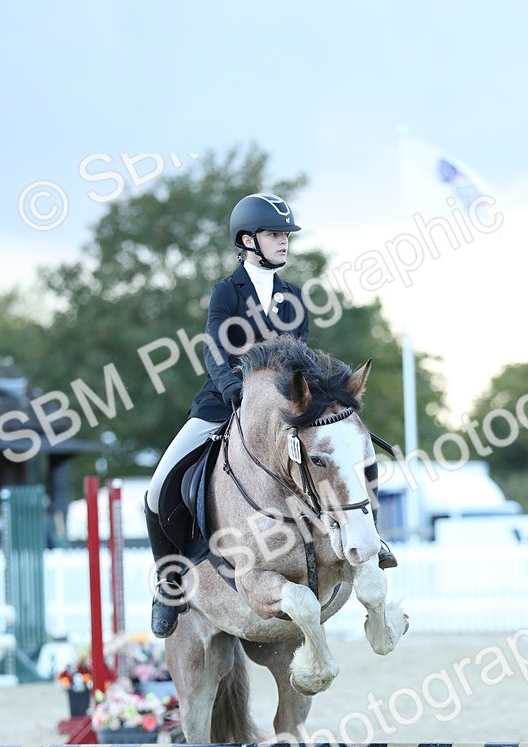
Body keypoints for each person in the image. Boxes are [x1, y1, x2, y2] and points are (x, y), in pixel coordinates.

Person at [144, 192, 395, 639]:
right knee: (159, 483)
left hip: (286, 412)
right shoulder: (227, 291)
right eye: (275, 235)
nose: (284, 242)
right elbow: (216, 349)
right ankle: (169, 584)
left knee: (337, 451)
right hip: (224, 403)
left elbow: (299, 358)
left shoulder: (293, 295)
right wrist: (236, 393)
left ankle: (366, 535)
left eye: (285, 235)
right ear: (248, 240)